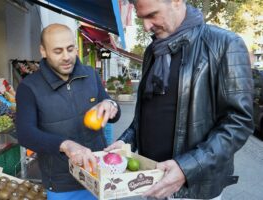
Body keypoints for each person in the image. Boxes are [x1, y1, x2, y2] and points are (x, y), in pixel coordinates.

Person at [105, 0, 254, 199]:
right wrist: (126, 143)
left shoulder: (225, 43)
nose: (146, 26)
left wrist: (185, 168)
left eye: (152, 15)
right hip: (151, 180)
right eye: (142, 19)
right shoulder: (153, 50)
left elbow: (239, 123)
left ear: (176, 2)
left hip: (193, 189)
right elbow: (148, 114)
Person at [16, 24, 120, 200]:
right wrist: (65, 145)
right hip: (62, 184)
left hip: (98, 175)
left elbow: (113, 116)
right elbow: (25, 134)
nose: (66, 57)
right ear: (43, 51)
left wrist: (111, 105)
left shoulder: (90, 75)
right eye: (57, 51)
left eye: (70, 49)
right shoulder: (29, 87)